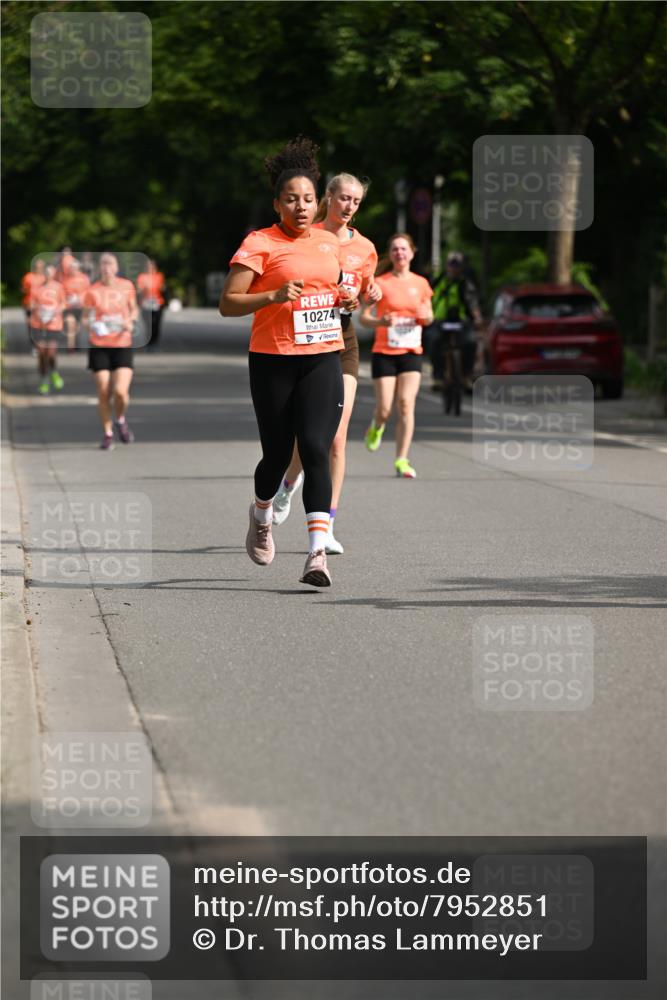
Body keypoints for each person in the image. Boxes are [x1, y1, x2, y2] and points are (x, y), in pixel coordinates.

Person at [219, 137, 357, 587]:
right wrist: (273, 296)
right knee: (277, 455)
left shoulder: (328, 243)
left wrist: (349, 298)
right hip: (273, 359)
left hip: (322, 357)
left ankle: (317, 554)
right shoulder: (260, 243)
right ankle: (261, 514)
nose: (301, 207)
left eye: (309, 199)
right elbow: (229, 303)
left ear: (319, 204)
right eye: (292, 200)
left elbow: (337, 290)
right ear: (277, 204)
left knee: (317, 448)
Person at [272, 172, 380, 554]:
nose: (349, 207)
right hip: (309, 340)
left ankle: (327, 523)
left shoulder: (365, 247)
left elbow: (363, 292)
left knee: (335, 436)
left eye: (356, 201)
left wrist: (369, 293)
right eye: (343, 199)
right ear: (328, 199)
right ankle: (287, 484)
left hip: (343, 337)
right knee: (309, 437)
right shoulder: (308, 236)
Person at [359, 233, 433, 479]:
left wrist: (426, 316)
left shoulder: (421, 283)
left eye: (404, 249)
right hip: (385, 352)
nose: (400, 253)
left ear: (412, 253)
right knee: (385, 409)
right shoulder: (380, 283)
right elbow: (364, 317)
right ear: (390, 255)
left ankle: (402, 459)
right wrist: (381, 320)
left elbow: (429, 316)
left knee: (406, 404)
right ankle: (376, 426)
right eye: (395, 249)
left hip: (411, 351)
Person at [82, 252, 139, 450]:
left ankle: (120, 419)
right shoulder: (92, 290)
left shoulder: (126, 286)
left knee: (121, 392)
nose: (106, 267)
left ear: (116, 267)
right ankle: (107, 433)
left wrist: (129, 322)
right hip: (99, 345)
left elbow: (134, 309)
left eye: (110, 264)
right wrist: (92, 326)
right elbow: (85, 317)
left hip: (122, 343)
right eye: (103, 264)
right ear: (100, 268)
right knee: (103, 390)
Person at [428, 250, 483, 390]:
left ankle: (466, 376)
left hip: (461, 321)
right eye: (451, 264)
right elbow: (426, 297)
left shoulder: (466, 283)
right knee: (433, 340)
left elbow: (473, 303)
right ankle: (438, 377)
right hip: (440, 319)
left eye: (457, 264)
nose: (454, 268)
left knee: (470, 342)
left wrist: (477, 318)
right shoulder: (438, 280)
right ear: (447, 265)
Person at [29, 264, 66, 394]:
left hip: (54, 324)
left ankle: (54, 372)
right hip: (38, 324)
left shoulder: (59, 287)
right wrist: (37, 309)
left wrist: (55, 311)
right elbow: (31, 303)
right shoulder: (36, 288)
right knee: (41, 354)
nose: (48, 275)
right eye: (46, 273)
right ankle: (44, 380)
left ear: (54, 274)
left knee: (50, 353)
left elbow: (63, 303)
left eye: (50, 273)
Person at [137, 259, 167, 351]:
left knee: (156, 323)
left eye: (152, 265)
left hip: (157, 302)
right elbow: (138, 290)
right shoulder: (142, 277)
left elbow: (163, 289)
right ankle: (148, 342)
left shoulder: (159, 276)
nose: (150, 267)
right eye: (148, 265)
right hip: (146, 303)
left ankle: (154, 342)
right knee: (148, 324)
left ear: (155, 267)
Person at [61, 259, 91, 351]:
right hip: (69, 307)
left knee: (79, 326)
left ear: (78, 268)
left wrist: (81, 298)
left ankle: (94, 343)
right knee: (71, 325)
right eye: (71, 268)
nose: (73, 269)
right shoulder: (65, 280)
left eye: (75, 268)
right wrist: (66, 301)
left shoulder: (84, 278)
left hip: (82, 307)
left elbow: (89, 292)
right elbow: (62, 294)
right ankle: (71, 347)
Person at [21, 258, 46, 342]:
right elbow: (23, 289)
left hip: (42, 304)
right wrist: (24, 289)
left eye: (41, 266)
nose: (39, 268)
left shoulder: (45, 277)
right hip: (29, 303)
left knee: (41, 323)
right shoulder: (28, 276)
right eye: (37, 266)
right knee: (30, 323)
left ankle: (41, 341)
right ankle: (33, 342)